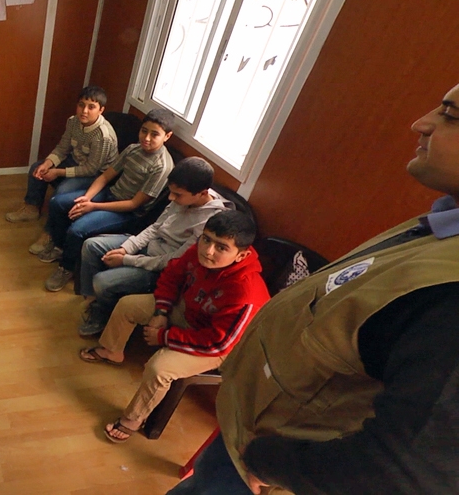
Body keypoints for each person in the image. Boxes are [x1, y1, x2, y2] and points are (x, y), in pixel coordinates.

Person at [169, 84, 459, 494]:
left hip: (269, 470)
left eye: (451, 115)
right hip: (254, 436)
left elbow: (407, 468)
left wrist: (277, 464)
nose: (422, 123)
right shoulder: (441, 227)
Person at [78, 210, 269, 444]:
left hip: (220, 348)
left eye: (221, 247)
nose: (208, 250)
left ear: (241, 255)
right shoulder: (197, 252)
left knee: (159, 369)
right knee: (128, 305)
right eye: (206, 239)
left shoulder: (245, 293)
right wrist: (161, 311)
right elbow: (172, 276)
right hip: (189, 311)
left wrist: (165, 337)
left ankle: (134, 419)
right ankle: (111, 350)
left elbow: (219, 343)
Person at [76, 157, 231, 335]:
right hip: (149, 248)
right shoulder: (184, 196)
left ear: (202, 193)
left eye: (177, 195)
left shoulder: (210, 222)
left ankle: (102, 317)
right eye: (171, 192)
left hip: (160, 269)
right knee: (91, 246)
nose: (172, 198)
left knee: (103, 282)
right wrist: (127, 248)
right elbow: (156, 227)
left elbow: (174, 261)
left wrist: (127, 260)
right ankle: (94, 300)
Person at [37, 109, 177, 293]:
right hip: (110, 194)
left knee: (78, 229)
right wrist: (86, 198)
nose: (147, 138)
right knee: (58, 202)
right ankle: (58, 245)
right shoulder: (133, 149)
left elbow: (134, 204)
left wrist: (92, 206)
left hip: (128, 212)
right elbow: (105, 177)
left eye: (155, 134)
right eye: (144, 131)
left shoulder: (162, 166)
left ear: (167, 136)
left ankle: (67, 268)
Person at [5, 86, 119, 223]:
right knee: (37, 167)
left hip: (97, 175)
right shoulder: (73, 121)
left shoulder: (103, 136)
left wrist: (57, 172)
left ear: (101, 110)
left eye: (91, 107)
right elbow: (62, 148)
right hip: (77, 161)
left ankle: (50, 233)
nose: (84, 111)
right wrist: (47, 164)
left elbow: (91, 169)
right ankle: (31, 208)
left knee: (62, 192)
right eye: (81, 105)